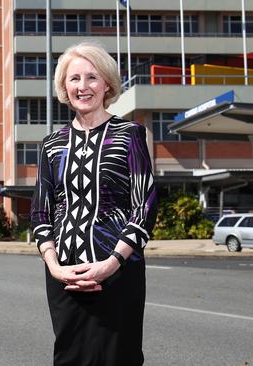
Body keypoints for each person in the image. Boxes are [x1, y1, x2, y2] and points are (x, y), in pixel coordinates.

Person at [30, 42, 158, 366]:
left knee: (119, 357)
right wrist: (55, 267)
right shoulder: (50, 144)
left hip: (117, 275)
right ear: (63, 87)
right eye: (74, 79)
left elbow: (144, 205)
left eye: (91, 77)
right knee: (70, 357)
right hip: (65, 277)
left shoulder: (129, 135)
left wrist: (111, 264)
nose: (82, 87)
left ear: (107, 85)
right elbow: (40, 212)